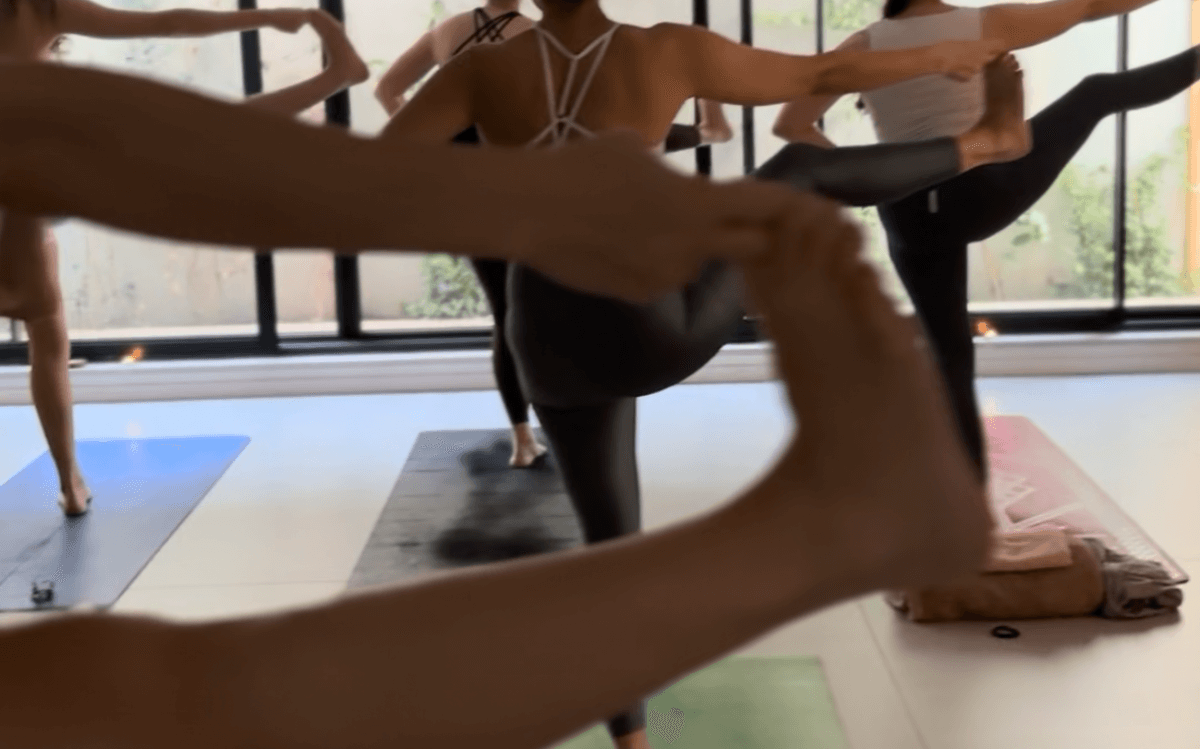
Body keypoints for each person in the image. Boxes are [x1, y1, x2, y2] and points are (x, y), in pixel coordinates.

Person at [382, 0, 1029, 745]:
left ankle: (632, 740)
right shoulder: (664, 52)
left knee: (610, 551)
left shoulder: (479, 71)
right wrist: (945, 53)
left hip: (549, 341)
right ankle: (987, 143)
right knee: (797, 171)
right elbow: (818, 79)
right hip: (653, 324)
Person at [1, 191, 995, 749]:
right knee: (144, 686)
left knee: (134, 687)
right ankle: (795, 538)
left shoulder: (476, 60)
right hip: (563, 288)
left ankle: (766, 543)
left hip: (542, 295)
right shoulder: (538, 57)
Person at [773, 0, 1200, 477]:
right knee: (1097, 92)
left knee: (949, 350)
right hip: (986, 191)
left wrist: (875, 176)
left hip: (909, 211)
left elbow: (791, 125)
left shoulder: (863, 47)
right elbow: (1091, 4)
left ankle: (969, 492)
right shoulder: (984, 25)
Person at [0, 0, 366, 516]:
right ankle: (69, 483)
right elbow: (170, 22)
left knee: (44, 321)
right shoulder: (41, 9)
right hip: (45, 178)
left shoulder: (43, 11)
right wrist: (269, 15)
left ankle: (71, 480)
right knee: (48, 329)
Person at [376, 0, 733, 467]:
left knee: (507, 314)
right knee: (559, 305)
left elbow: (387, 91)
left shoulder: (445, 33)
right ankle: (580, 419)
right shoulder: (540, 40)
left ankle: (523, 439)